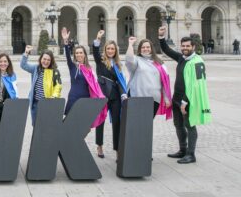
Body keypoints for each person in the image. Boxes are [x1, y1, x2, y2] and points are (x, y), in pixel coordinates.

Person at [159, 26, 211, 164]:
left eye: (188, 46)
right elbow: (167, 50)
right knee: (178, 125)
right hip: (177, 98)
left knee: (190, 125)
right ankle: (182, 150)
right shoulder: (182, 58)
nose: (185, 48)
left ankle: (191, 154)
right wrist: (161, 37)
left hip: (187, 100)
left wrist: (185, 101)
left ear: (193, 46)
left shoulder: (197, 62)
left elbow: (196, 85)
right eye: (183, 46)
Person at [61, 28, 107, 126]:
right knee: (68, 125)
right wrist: (65, 42)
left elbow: (94, 86)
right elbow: (68, 56)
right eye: (77, 53)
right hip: (74, 98)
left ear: (85, 55)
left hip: (85, 99)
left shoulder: (89, 69)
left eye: (81, 53)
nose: (78, 54)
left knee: (82, 127)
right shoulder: (73, 66)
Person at [93, 30, 127, 160]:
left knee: (117, 122)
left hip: (115, 97)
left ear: (115, 50)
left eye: (112, 49)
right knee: (100, 121)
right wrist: (98, 39)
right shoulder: (101, 61)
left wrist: (123, 93)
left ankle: (118, 149)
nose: (110, 51)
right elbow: (95, 51)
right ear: (105, 50)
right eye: (108, 48)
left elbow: (120, 81)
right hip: (103, 95)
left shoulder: (118, 64)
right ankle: (99, 145)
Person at [125, 37, 172, 119]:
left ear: (151, 48)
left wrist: (166, 97)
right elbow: (129, 60)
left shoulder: (159, 63)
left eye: (147, 47)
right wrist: (130, 45)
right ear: (139, 49)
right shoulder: (136, 61)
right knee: (137, 123)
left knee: (147, 125)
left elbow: (163, 82)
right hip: (137, 98)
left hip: (154, 100)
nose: (145, 49)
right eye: (143, 47)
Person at [20, 45, 62, 126]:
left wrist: (54, 96)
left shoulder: (54, 71)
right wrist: (26, 53)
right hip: (35, 104)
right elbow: (23, 65)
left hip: (47, 104)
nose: (46, 62)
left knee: (46, 126)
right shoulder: (36, 68)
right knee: (35, 126)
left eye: (48, 60)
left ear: (51, 61)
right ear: (41, 59)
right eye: (44, 59)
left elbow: (58, 86)